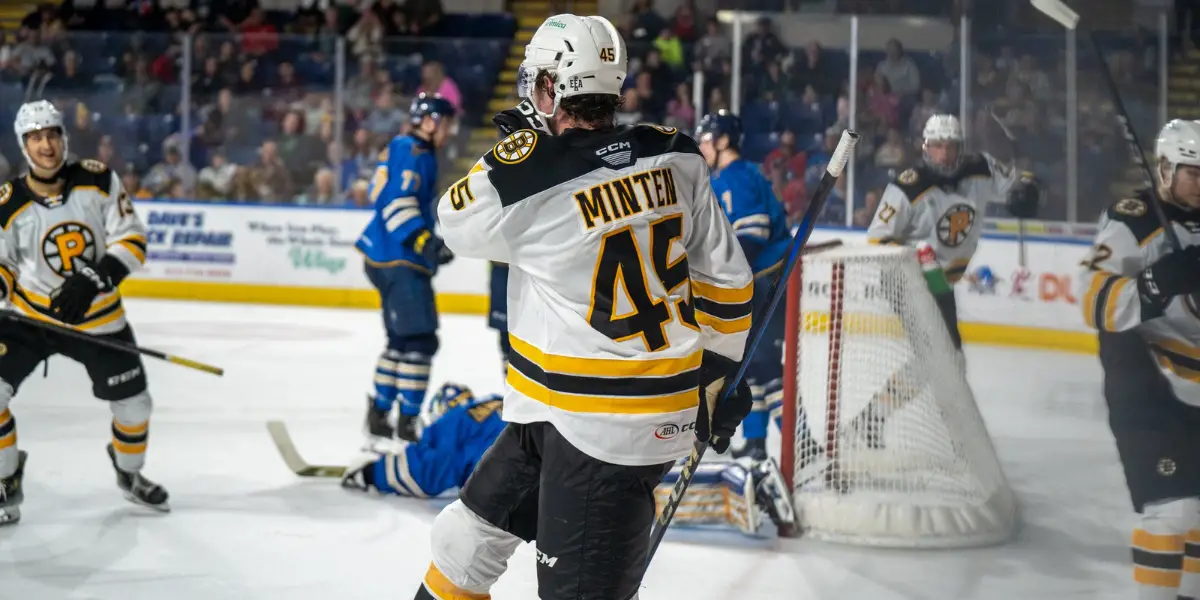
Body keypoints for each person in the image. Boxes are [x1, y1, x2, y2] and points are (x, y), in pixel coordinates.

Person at [418, 14, 755, 600]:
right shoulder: (676, 155)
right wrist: (719, 372)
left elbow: (454, 221)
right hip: (557, 411)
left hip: (605, 429)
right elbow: (727, 280)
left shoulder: (529, 178)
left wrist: (514, 150)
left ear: (551, 88)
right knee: (466, 541)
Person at [0, 100, 167, 525]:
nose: (46, 144)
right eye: (35, 138)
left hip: (99, 320)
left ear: (64, 137)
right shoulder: (7, 201)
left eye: (52, 134)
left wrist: (93, 276)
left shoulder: (97, 179)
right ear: (24, 145)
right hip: (30, 318)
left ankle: (129, 473)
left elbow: (132, 239)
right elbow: (3, 264)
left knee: (135, 407)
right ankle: (5, 480)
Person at [855, 113, 1040, 447]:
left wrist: (1027, 192)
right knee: (947, 356)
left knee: (938, 359)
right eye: (937, 146)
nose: (944, 154)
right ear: (925, 148)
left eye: (950, 147)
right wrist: (914, 255)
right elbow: (877, 240)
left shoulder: (980, 168)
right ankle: (955, 434)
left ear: (961, 148)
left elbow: (1018, 183)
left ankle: (873, 418)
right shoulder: (907, 186)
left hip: (940, 281)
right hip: (906, 278)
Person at [1077, 118, 1200, 600]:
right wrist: (1156, 282)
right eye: (1192, 172)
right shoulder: (1133, 218)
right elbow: (1093, 301)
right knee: (1173, 511)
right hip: (1145, 381)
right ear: (1165, 168)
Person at [354, 92, 456, 443]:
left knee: (399, 340)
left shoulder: (398, 146)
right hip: (401, 259)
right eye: (446, 122)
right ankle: (408, 423)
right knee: (420, 341)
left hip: (381, 256)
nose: (449, 131)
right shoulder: (417, 153)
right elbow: (398, 203)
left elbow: (374, 193)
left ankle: (379, 413)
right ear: (429, 122)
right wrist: (426, 243)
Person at [695, 110, 791, 462]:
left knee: (763, 364)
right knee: (751, 364)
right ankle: (756, 442)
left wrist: (724, 278)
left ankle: (800, 441)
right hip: (756, 284)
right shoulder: (724, 178)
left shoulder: (739, 176)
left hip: (766, 284)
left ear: (722, 141)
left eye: (706, 140)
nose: (702, 147)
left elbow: (752, 235)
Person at [486, 97, 552, 374]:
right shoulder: (492, 173)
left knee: (527, 340)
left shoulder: (545, 171)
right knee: (510, 341)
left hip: (527, 268)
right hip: (510, 267)